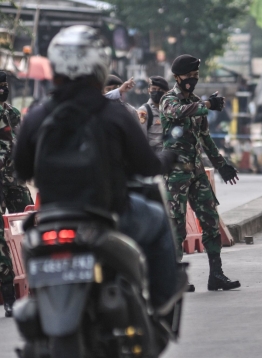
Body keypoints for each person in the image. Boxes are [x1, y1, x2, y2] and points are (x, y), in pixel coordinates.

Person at [13, 25, 180, 313]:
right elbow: (147, 165)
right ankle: (161, 303)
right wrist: (169, 156)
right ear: (99, 66)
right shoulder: (114, 113)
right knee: (157, 220)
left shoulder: (37, 115)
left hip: (52, 220)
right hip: (109, 216)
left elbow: (21, 169)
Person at [160, 54, 241, 291]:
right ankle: (174, 277)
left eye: (196, 76)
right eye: (189, 76)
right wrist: (207, 105)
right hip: (176, 174)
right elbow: (178, 112)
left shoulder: (195, 102)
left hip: (196, 172)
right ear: (177, 77)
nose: (192, 80)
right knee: (176, 226)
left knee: (210, 221)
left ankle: (216, 274)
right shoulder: (169, 99)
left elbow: (205, 139)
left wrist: (221, 165)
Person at [0, 71, 34, 317]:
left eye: (4, 85)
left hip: (14, 180)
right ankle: (9, 296)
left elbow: (22, 143)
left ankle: (38, 285)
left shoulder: (11, 112)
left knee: (31, 223)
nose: (3, 89)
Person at [137, 76, 169, 152]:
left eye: (161, 90)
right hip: (154, 157)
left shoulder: (171, 110)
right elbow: (141, 139)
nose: (157, 92)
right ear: (149, 90)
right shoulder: (144, 111)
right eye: (154, 89)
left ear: (167, 92)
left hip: (169, 157)